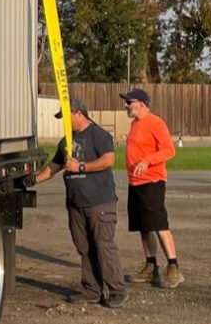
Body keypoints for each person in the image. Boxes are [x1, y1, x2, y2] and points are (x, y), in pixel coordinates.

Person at [34, 98, 125, 308]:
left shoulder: (98, 135)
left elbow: (108, 160)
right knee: (83, 247)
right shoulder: (65, 141)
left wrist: (81, 167)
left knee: (104, 246)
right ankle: (91, 289)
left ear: (78, 113)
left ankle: (116, 289)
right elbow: (54, 167)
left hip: (99, 202)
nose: (64, 122)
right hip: (76, 203)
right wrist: (33, 179)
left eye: (65, 117)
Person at [120, 87, 182, 288]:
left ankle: (173, 267)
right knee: (143, 227)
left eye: (129, 102)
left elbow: (169, 150)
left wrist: (147, 160)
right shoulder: (134, 124)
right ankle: (150, 266)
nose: (126, 105)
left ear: (141, 103)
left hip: (152, 181)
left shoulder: (155, 122)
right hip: (136, 182)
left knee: (158, 224)